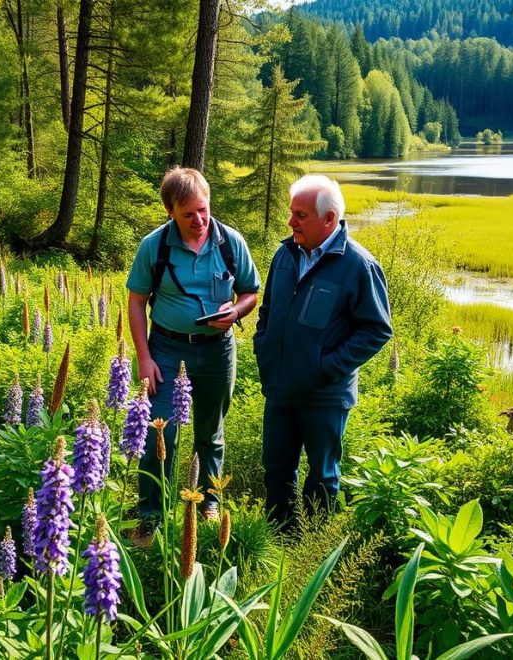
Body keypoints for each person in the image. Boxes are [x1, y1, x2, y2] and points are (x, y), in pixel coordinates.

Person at [126, 167, 260, 546]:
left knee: (210, 431)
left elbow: (251, 292)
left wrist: (235, 313)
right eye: (188, 214)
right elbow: (137, 303)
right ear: (170, 212)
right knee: (159, 431)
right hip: (167, 350)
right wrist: (144, 357)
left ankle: (209, 502)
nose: (199, 220)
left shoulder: (231, 243)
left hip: (218, 352)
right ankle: (151, 515)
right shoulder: (155, 246)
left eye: (203, 210)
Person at [253, 174, 392, 531]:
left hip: (324, 395)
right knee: (277, 469)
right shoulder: (285, 255)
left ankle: (311, 549)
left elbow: (377, 329)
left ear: (329, 219)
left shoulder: (359, 266)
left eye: (300, 215)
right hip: (281, 388)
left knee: (322, 476)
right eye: (291, 213)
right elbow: (267, 311)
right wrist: (264, 348)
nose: (291, 222)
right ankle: (279, 538)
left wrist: (326, 368)